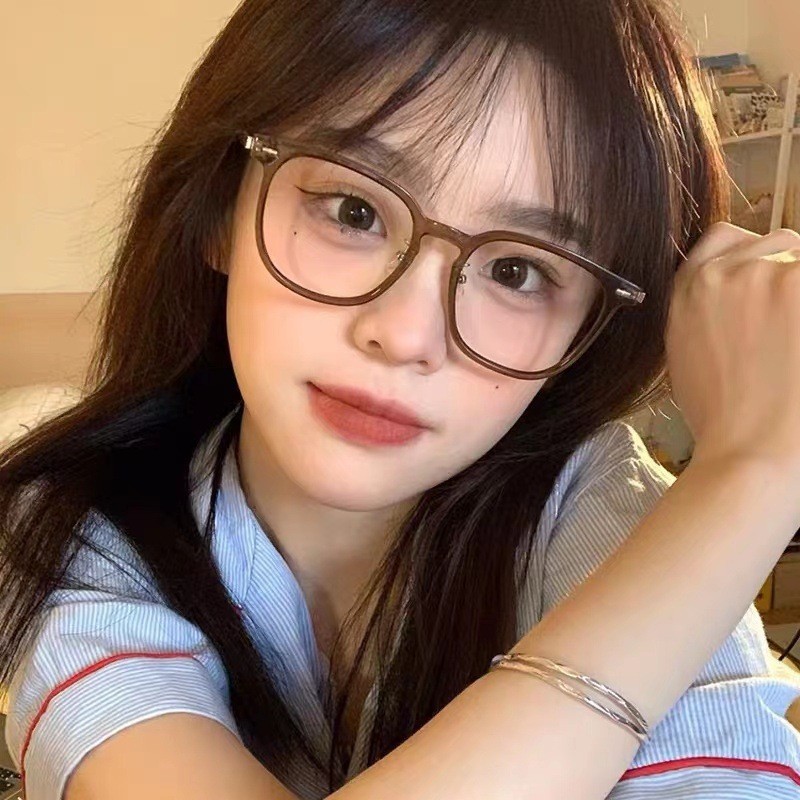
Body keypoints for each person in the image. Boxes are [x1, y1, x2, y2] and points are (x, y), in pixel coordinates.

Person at [1, 0, 799, 798]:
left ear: (588, 331)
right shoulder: (74, 527)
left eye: (517, 271)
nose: (408, 334)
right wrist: (756, 476)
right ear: (219, 208)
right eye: (354, 211)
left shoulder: (630, 529)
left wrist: (744, 484)